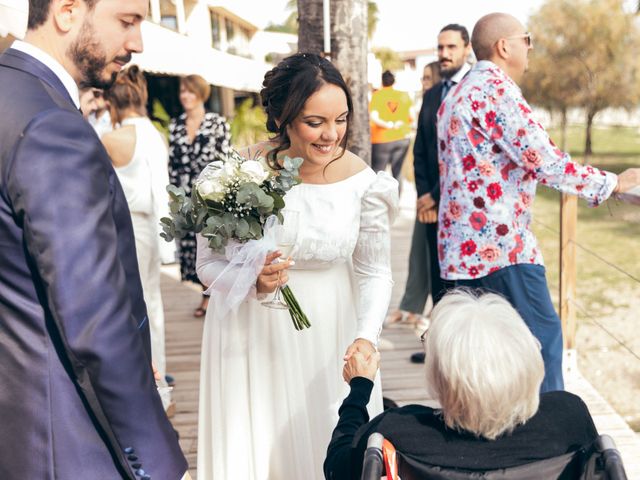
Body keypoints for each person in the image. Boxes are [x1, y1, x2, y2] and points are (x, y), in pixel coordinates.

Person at [0, 1, 188, 479]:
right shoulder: (51, 125)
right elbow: (93, 319)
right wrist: (158, 461)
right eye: (127, 21)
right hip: (62, 438)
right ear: (67, 12)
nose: (137, 43)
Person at [195, 52, 399, 479]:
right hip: (253, 337)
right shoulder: (235, 175)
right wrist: (251, 279)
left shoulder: (365, 183)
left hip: (332, 338)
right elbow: (208, 265)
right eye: (315, 122)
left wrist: (366, 337)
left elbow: (374, 271)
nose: (332, 135)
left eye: (341, 119)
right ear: (284, 118)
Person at [437, 13, 640, 392]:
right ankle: (553, 441)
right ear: (504, 47)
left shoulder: (456, 94)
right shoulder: (496, 90)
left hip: (460, 255)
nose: (530, 48)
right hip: (501, 249)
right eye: (526, 39)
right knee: (542, 344)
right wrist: (614, 183)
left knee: (481, 357)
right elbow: (545, 161)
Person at [324, 290, 600, 480]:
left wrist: (359, 388)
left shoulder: (398, 430)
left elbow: (337, 468)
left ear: (440, 374)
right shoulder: (569, 418)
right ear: (525, 357)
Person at [398, 24, 471, 365]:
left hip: (466, 209)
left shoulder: (474, 91)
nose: (444, 53)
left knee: (465, 284)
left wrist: (439, 195)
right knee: (438, 277)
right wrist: (425, 196)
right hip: (432, 206)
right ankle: (439, 352)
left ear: (467, 48)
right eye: (440, 47)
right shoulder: (431, 94)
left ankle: (466, 354)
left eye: (451, 47)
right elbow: (423, 150)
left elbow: (468, 156)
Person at [102, 65, 173, 412]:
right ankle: (160, 388)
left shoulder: (110, 138)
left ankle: (142, 388)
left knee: (124, 307)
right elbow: (162, 191)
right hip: (147, 229)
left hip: (119, 227)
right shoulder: (153, 135)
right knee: (152, 308)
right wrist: (168, 243)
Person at [169, 73, 231, 317]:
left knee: (213, 246)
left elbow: (226, 161)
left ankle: (211, 296)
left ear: (201, 94)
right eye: (183, 91)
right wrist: (174, 199)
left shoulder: (217, 123)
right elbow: (172, 165)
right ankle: (205, 294)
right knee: (193, 249)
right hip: (185, 194)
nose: (186, 96)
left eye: (190, 91)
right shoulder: (175, 125)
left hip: (212, 196)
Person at [369, 70, 413, 185]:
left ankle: (378, 202)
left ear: (382, 81)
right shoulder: (403, 95)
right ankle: (396, 202)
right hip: (402, 138)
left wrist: (389, 124)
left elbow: (374, 117)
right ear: (394, 81)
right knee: (397, 174)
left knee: (377, 174)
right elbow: (411, 116)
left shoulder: (377, 95)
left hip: (382, 139)